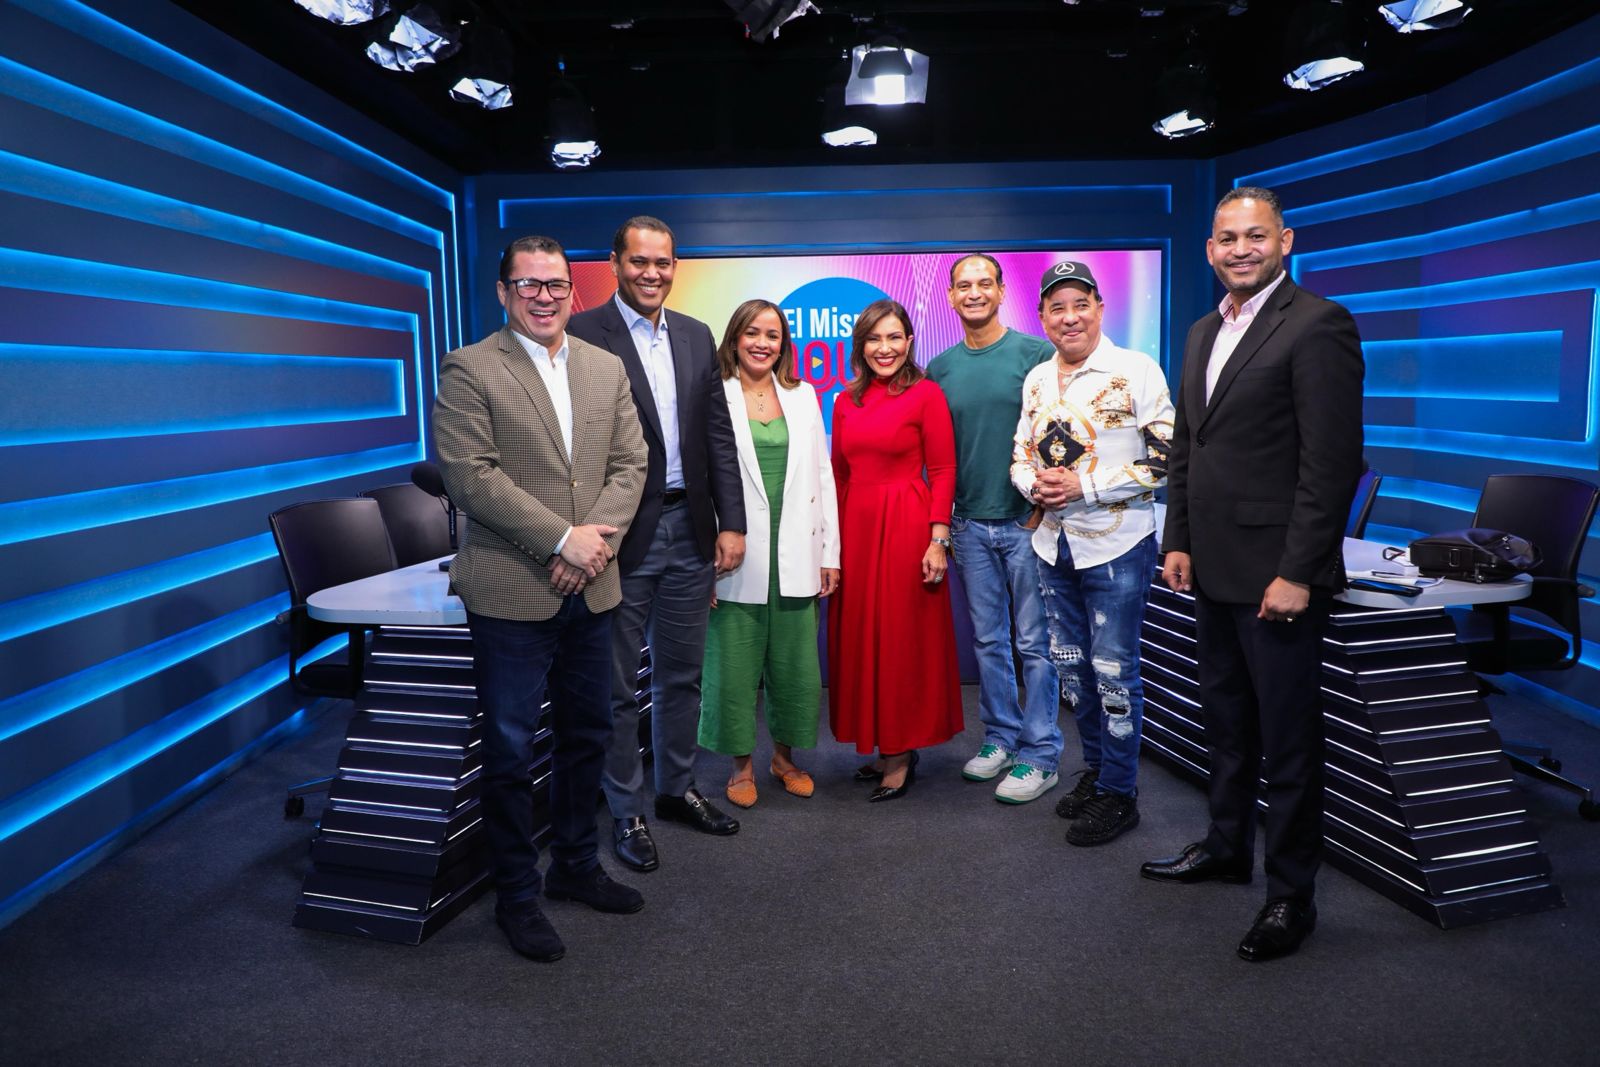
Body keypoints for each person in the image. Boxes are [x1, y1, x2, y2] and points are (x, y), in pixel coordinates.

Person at [1143, 187, 1364, 962]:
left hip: (1277, 578)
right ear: (1210, 249)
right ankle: (1227, 845)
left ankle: (1291, 895)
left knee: (1290, 743)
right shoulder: (1204, 330)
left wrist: (1299, 570)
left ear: (1285, 241)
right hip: (1210, 568)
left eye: (1255, 236)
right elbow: (1189, 446)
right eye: (1228, 238)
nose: (1241, 249)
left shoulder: (1318, 323)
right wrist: (1178, 538)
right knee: (1228, 725)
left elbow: (1330, 464)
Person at [432, 235, 649, 963]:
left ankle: (576, 866)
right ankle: (517, 897)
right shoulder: (470, 367)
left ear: (572, 290)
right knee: (509, 750)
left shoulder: (604, 366)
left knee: (588, 734)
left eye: (555, 283)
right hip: (510, 591)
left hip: (594, 586)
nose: (544, 296)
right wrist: (562, 540)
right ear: (504, 292)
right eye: (528, 284)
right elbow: (471, 477)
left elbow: (631, 464)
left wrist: (592, 546)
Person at [567, 215, 747, 873]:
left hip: (689, 531)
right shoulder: (581, 333)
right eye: (639, 261)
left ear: (675, 266)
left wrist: (732, 520)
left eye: (662, 262)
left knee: (681, 676)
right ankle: (626, 808)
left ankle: (675, 789)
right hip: (617, 535)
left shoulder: (696, 335)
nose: (651, 273)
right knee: (616, 686)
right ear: (615, 263)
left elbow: (717, 435)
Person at [1011, 261, 1174, 846]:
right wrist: (1034, 485)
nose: (1070, 317)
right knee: (1073, 671)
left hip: (1117, 546)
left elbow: (1165, 459)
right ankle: (1099, 773)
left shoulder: (1136, 370)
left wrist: (1087, 486)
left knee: (1113, 673)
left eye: (1080, 304)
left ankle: (1121, 793)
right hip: (1053, 545)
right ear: (1043, 318)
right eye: (1057, 308)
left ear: (1100, 308)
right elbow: (1020, 454)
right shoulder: (1037, 379)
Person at [926, 253, 1061, 804]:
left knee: (1034, 644)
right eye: (964, 285)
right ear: (951, 297)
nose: (975, 293)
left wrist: (1045, 507)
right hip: (969, 525)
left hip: (1026, 522)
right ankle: (1001, 738)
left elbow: (1062, 435)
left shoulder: (1036, 355)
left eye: (985, 283)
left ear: (1002, 291)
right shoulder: (939, 369)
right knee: (988, 641)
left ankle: (1041, 753)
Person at [698, 299, 841, 807]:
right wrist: (702, 557)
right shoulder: (713, 393)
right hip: (733, 551)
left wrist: (830, 552)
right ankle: (740, 768)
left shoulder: (803, 395)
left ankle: (783, 759)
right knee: (733, 665)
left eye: (773, 335)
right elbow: (699, 476)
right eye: (753, 333)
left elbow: (822, 475)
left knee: (795, 666)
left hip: (798, 547)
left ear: (784, 345)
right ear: (735, 338)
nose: (762, 343)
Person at [828, 298, 964, 802]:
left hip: (907, 526)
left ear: (909, 342)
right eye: (874, 338)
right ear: (860, 345)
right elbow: (838, 474)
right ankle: (883, 741)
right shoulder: (845, 401)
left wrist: (938, 539)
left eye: (893, 337)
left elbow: (943, 470)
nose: (884, 348)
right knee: (862, 638)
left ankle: (902, 751)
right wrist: (831, 545)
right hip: (856, 528)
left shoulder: (926, 394)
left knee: (902, 640)